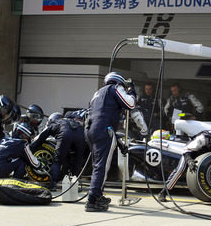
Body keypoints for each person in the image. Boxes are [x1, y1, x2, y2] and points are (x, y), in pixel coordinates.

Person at [84, 71, 135, 212]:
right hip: (102, 130)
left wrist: (118, 142)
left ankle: (97, 195)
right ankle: (93, 200)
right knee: (102, 166)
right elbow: (130, 104)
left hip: (89, 130)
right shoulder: (115, 88)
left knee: (97, 165)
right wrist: (132, 92)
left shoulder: (97, 93)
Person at [158, 122, 211, 202]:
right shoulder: (205, 137)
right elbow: (187, 149)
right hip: (191, 154)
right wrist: (189, 160)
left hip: (207, 156)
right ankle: (164, 192)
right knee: (180, 169)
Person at [0, 122, 46, 186]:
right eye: (27, 136)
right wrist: (40, 165)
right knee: (23, 160)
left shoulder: (4, 139)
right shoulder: (22, 143)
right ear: (23, 135)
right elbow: (33, 162)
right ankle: (16, 183)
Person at [31, 112, 86, 190]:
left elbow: (42, 136)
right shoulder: (74, 122)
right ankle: (74, 185)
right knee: (77, 160)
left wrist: (32, 147)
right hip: (81, 135)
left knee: (57, 161)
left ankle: (53, 184)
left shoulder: (55, 122)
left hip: (66, 134)